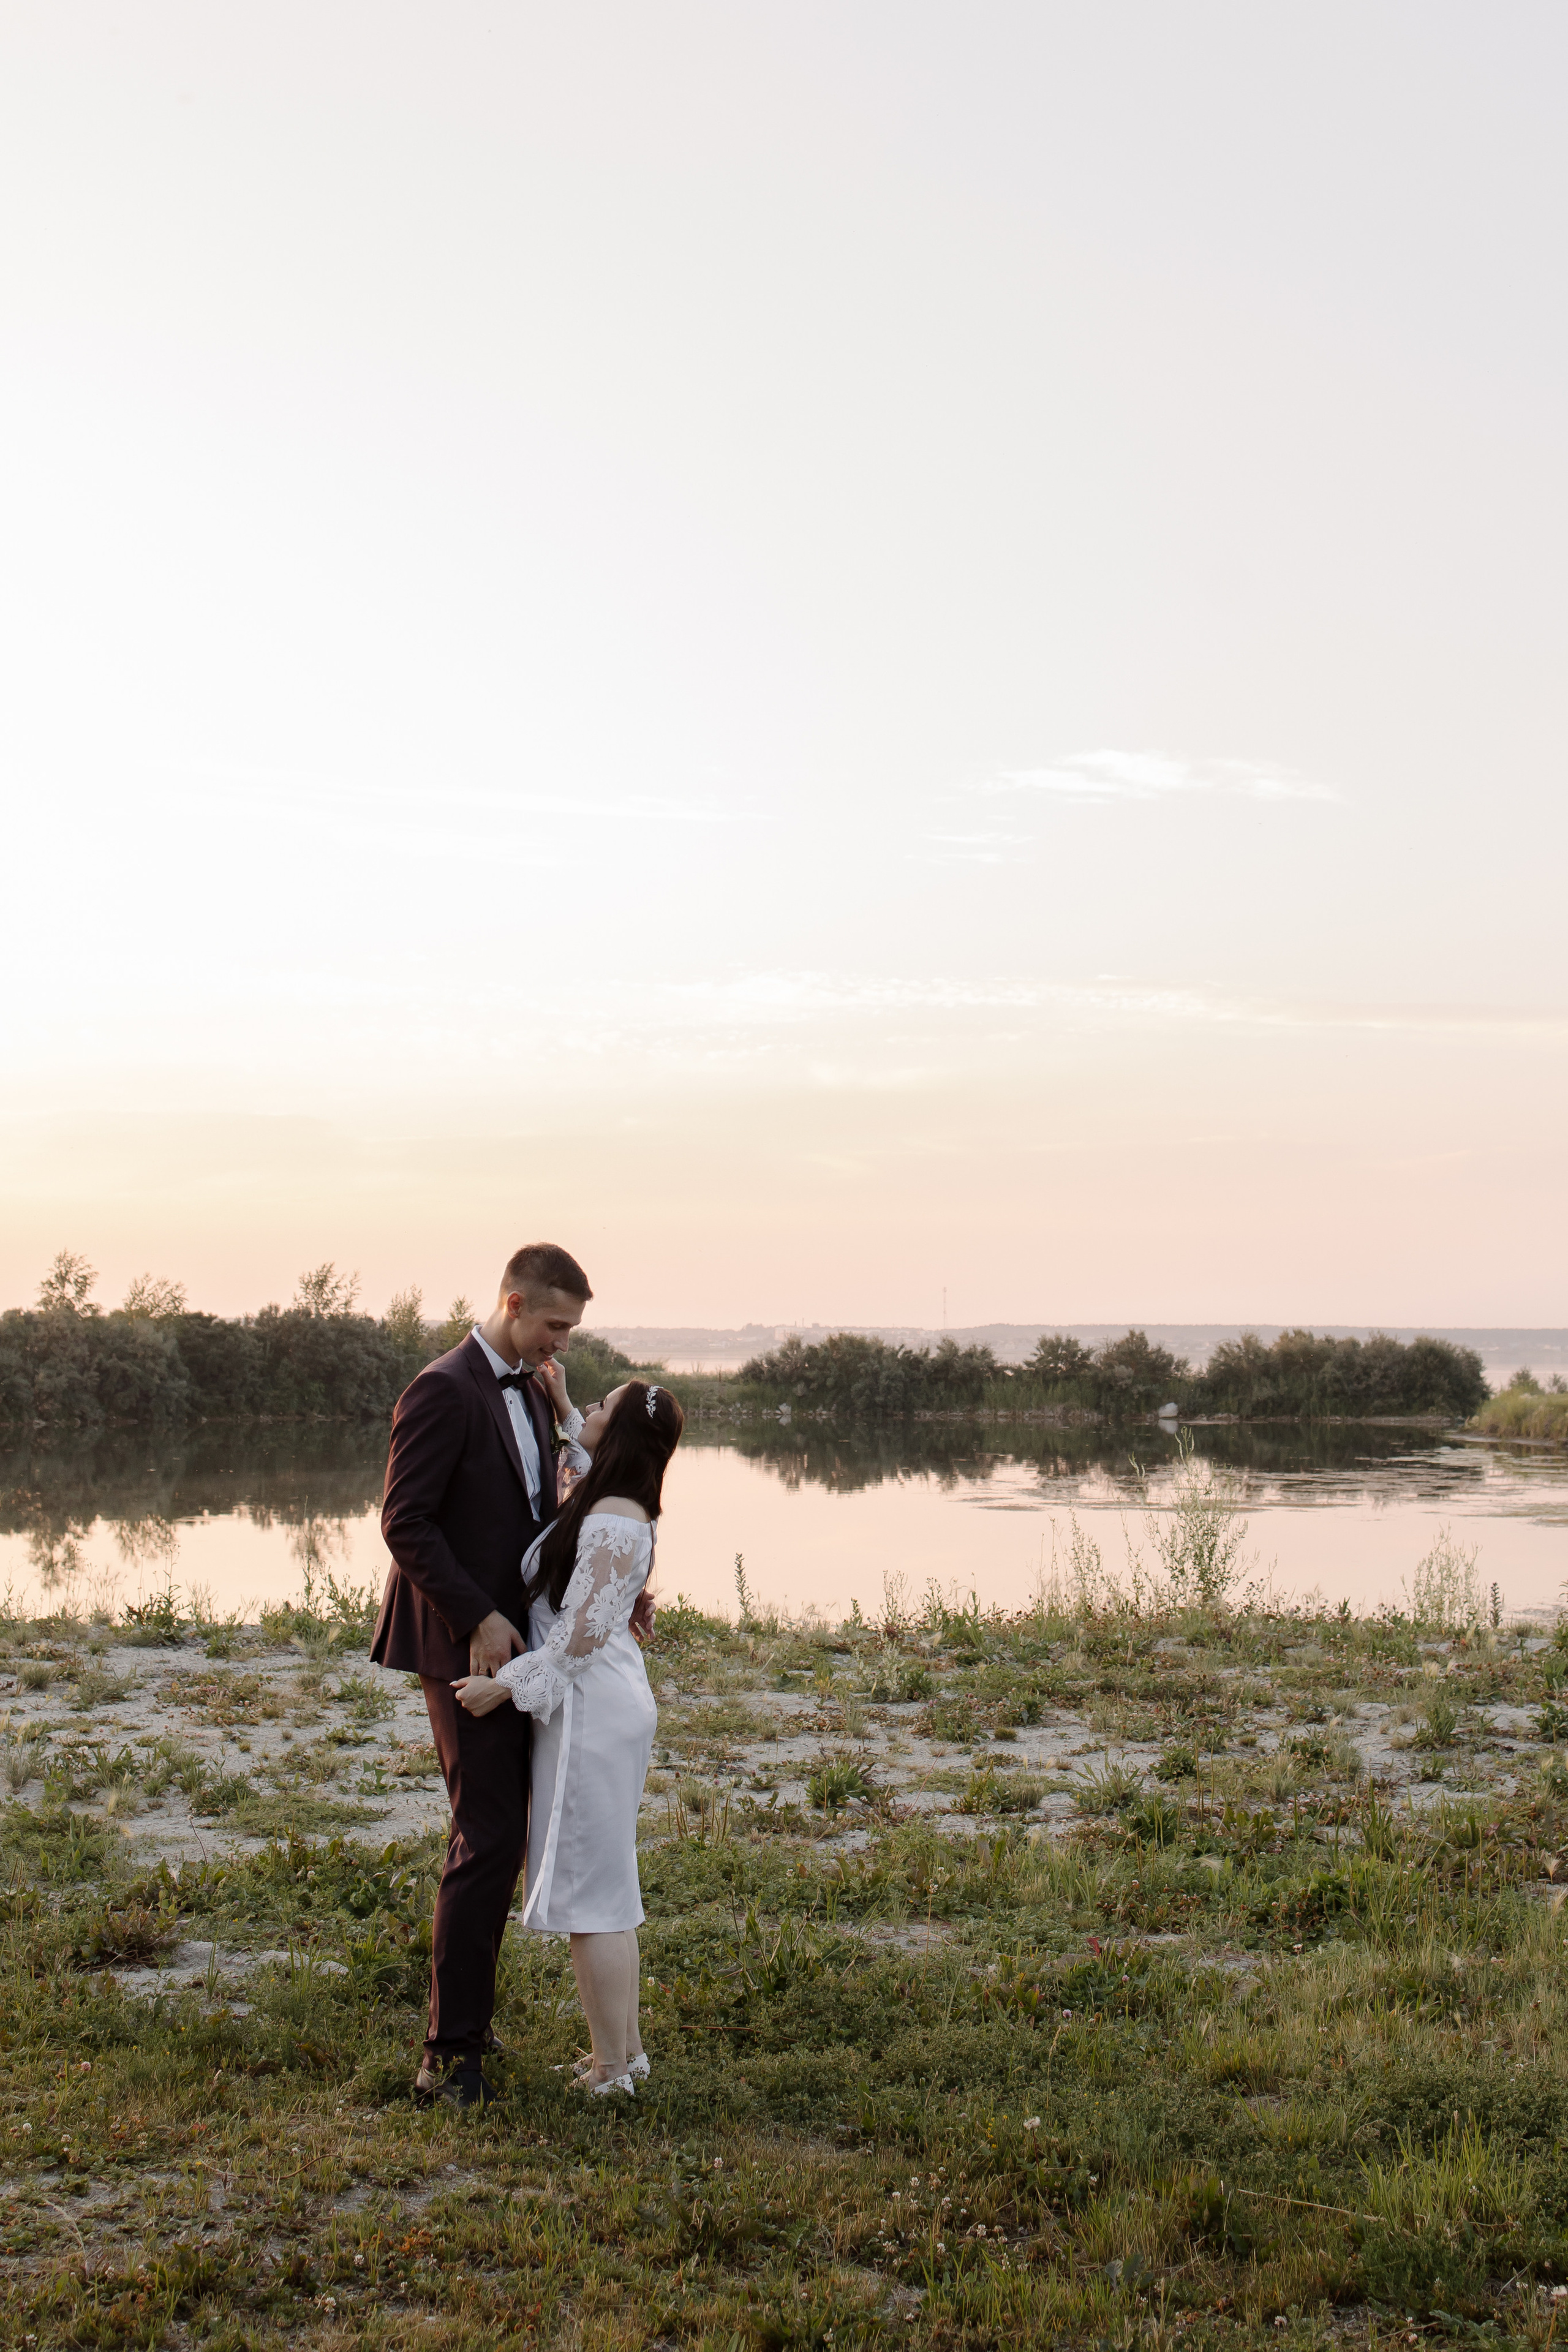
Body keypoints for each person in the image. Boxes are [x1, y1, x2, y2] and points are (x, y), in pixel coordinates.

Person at [370, 1241, 592, 2109]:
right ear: (514, 1302)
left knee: (502, 1836)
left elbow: (533, 1514)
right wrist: (477, 1616)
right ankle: (448, 2055)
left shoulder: (532, 1387)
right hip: (461, 1643)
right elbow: (405, 1521)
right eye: (554, 1325)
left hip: (517, 1643)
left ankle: (470, 2022)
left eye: (570, 1330)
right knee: (487, 1835)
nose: (561, 1344)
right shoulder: (441, 1387)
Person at [454, 1378, 684, 2096]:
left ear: (619, 1434)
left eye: (600, 1407)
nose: (588, 1409)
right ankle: (624, 2055)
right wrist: (560, 1408)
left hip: (592, 1709)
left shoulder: (615, 1520)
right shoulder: (610, 1497)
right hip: (598, 1703)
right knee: (607, 1889)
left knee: (593, 1897)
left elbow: (579, 1637)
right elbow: (581, 1465)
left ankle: (611, 2073)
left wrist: (503, 1686)